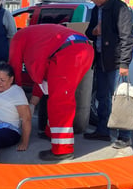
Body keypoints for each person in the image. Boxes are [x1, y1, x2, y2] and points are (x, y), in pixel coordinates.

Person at [9, 24, 94, 161]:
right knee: (59, 95)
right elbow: (43, 77)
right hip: (83, 49)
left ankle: (62, 149)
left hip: (68, 53)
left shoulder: (17, 39)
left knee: (60, 102)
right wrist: (33, 100)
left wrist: (18, 97)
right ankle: (52, 133)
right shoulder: (38, 36)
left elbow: (14, 70)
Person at [83, 0, 133, 149]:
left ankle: (125, 137)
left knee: (119, 100)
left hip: (116, 63)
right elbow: (88, 31)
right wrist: (94, 32)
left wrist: (124, 64)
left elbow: (127, 38)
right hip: (100, 61)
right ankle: (103, 130)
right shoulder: (95, 9)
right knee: (102, 98)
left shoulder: (119, 8)